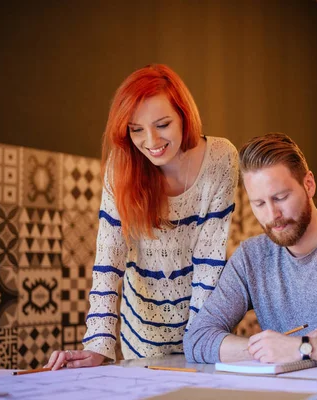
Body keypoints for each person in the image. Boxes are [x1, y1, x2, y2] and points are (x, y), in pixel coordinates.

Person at [46, 64, 239, 370]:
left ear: (184, 116)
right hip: (141, 329)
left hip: (205, 324)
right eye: (136, 129)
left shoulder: (221, 158)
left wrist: (200, 340)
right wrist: (98, 344)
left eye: (162, 124)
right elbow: (109, 259)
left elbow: (209, 263)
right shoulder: (121, 166)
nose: (150, 141)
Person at [184, 133, 317, 366]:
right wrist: (269, 349)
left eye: (280, 197)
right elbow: (197, 339)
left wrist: (307, 347)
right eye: (259, 204)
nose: (272, 215)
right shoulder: (251, 257)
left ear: (308, 184)